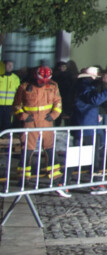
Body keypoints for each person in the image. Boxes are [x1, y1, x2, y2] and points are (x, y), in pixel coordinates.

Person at [12, 65, 67, 196]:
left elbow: (58, 103)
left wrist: (53, 115)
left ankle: (55, 177)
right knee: (27, 150)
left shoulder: (53, 86)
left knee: (49, 149)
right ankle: (23, 178)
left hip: (46, 122)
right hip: (30, 123)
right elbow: (16, 105)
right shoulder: (24, 86)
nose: (43, 84)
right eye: (41, 81)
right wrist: (24, 116)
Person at [74, 66, 107, 194]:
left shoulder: (84, 86)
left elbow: (88, 104)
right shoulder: (85, 86)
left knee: (89, 157)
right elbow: (94, 100)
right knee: (90, 158)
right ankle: (95, 184)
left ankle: (96, 183)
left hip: (88, 124)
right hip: (86, 127)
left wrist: (95, 115)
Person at [0, 60, 19, 133]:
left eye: (12, 65)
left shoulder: (15, 78)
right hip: (0, 105)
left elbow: (18, 93)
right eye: (8, 65)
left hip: (10, 106)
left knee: (7, 124)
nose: (10, 67)